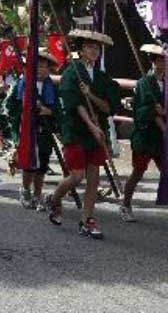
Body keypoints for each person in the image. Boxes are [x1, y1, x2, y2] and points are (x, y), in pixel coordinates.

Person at [45, 30, 118, 240]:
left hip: (97, 131)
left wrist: (91, 96)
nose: (94, 51)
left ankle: (87, 219)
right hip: (76, 130)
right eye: (89, 47)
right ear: (81, 49)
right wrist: (90, 124)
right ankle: (54, 198)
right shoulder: (72, 72)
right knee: (77, 175)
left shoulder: (103, 77)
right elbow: (74, 103)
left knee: (94, 176)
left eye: (97, 48)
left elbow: (108, 107)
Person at [120, 44, 168, 223]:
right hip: (146, 135)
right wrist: (154, 111)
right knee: (138, 172)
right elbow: (139, 112)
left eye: (164, 59)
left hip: (163, 137)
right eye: (159, 59)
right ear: (153, 61)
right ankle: (125, 204)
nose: (162, 63)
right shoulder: (143, 83)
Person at [9, 50, 60, 211]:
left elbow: (58, 108)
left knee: (42, 164)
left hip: (44, 129)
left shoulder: (51, 86)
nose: (41, 70)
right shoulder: (22, 83)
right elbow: (13, 108)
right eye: (37, 66)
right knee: (29, 163)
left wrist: (49, 111)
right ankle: (25, 190)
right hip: (27, 129)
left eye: (44, 66)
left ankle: (38, 194)